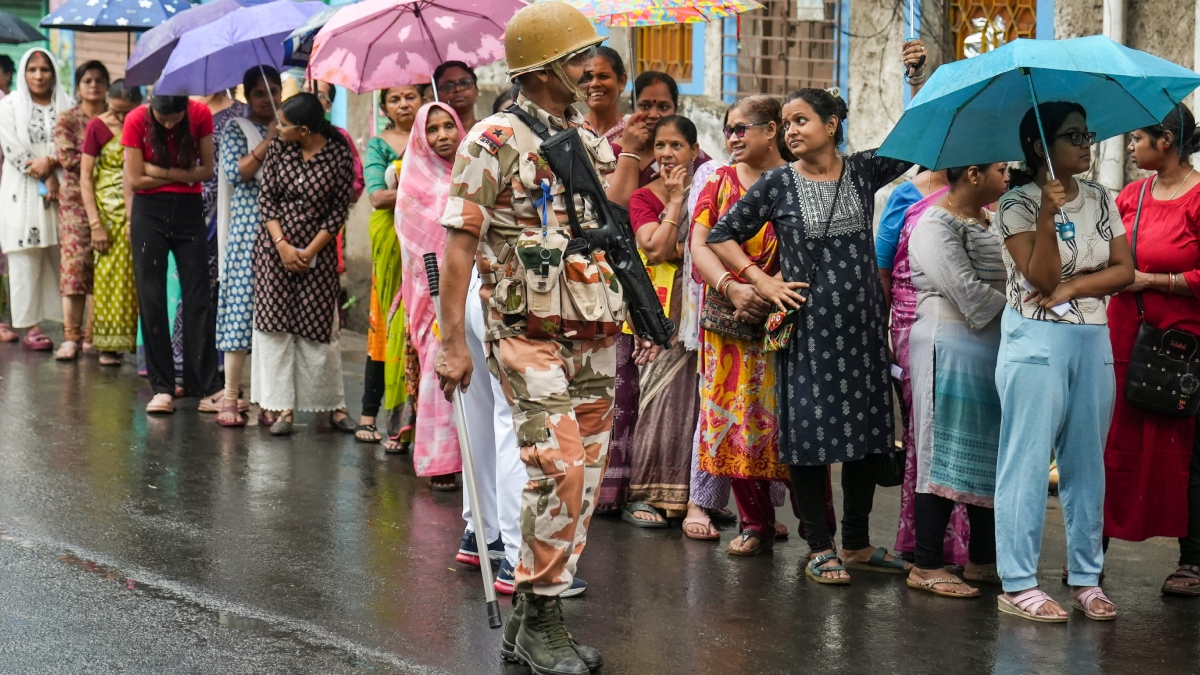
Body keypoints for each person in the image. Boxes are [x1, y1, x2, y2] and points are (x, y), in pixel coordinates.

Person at [435, 3, 656, 672]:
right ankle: (544, 618)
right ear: (547, 67)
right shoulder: (493, 138)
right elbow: (458, 244)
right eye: (577, 58)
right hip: (526, 332)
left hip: (591, 328)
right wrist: (451, 342)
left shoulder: (583, 138)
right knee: (556, 468)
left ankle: (532, 619)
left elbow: (605, 222)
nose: (589, 68)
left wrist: (634, 157)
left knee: (582, 476)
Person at [706, 45, 927, 586]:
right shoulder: (778, 184)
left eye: (800, 120)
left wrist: (916, 79)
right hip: (807, 331)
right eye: (784, 124)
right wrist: (760, 280)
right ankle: (819, 545)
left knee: (868, 436)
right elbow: (721, 234)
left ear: (832, 124)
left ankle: (855, 542)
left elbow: (916, 139)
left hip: (863, 328)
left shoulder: (863, 172)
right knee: (807, 438)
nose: (790, 132)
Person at [992, 101, 1132, 622]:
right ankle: (1019, 581)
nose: (1085, 144)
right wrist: (1049, 214)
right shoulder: (1016, 204)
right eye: (1073, 136)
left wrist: (1078, 285)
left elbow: (1124, 271)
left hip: (1093, 338)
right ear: (1039, 147)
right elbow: (1041, 279)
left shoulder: (1100, 198)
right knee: (1026, 461)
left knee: (1086, 463)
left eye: (1086, 134)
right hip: (1035, 340)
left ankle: (1085, 577)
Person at [690, 96, 810, 553]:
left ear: (773, 130)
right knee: (733, 415)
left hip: (786, 314)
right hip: (727, 319)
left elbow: (808, 248)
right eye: (729, 129)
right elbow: (700, 242)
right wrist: (731, 287)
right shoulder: (719, 182)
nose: (733, 137)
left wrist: (766, 291)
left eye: (743, 128)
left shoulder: (800, 182)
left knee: (789, 417)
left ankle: (818, 532)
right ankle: (754, 523)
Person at [1104, 103, 1200, 597]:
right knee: (1110, 440)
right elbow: (1106, 253)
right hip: (1123, 339)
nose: (1129, 145)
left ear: (1166, 141)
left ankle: (1192, 561)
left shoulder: (1199, 197)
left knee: (1184, 449)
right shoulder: (1132, 195)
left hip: (1181, 347)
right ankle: (1088, 556)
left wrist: (1158, 280)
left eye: (1137, 137)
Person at [905, 162, 1010, 598]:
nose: (1009, 175)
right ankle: (926, 563)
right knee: (942, 446)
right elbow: (966, 292)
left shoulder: (996, 220)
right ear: (972, 173)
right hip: (947, 345)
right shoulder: (934, 224)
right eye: (1002, 169)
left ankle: (983, 558)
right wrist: (1032, 311)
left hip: (992, 348)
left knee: (988, 450)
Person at [251, 93, 356, 436]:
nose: (277, 128)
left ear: (305, 129)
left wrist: (309, 251)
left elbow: (338, 210)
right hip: (273, 251)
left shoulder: (339, 154)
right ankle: (282, 408)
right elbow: (266, 199)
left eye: (283, 124)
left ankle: (332, 405)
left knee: (318, 329)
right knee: (276, 327)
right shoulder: (280, 148)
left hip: (318, 252)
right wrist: (282, 246)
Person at [887, 173, 970, 566]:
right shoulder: (907, 195)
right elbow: (884, 267)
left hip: (974, 329)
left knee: (967, 430)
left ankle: (974, 547)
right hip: (914, 320)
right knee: (925, 433)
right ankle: (926, 547)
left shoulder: (989, 194)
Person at [623, 115, 702, 528]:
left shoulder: (710, 189)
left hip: (701, 305)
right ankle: (648, 492)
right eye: (660, 146)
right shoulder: (643, 197)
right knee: (656, 398)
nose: (667, 154)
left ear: (693, 149)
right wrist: (674, 201)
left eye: (676, 146)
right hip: (659, 309)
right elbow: (655, 250)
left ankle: (694, 497)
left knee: (696, 400)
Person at [122, 94, 220, 414]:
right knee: (152, 296)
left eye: (175, 119)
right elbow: (135, 179)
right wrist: (181, 175)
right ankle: (162, 387)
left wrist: (159, 172)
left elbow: (205, 171)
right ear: (151, 105)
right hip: (148, 213)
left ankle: (205, 386)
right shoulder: (136, 119)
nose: (168, 124)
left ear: (184, 110)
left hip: (189, 212)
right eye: (162, 118)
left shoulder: (200, 113)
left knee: (198, 296)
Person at [396, 101, 464, 489]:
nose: (442, 136)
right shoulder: (414, 180)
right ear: (421, 136)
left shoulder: (475, 173)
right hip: (432, 291)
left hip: (473, 285)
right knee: (437, 365)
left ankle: (476, 458)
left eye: (448, 126)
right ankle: (441, 461)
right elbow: (413, 241)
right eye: (433, 129)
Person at [211, 67, 283, 427]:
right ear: (246, 96)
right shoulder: (236, 130)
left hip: (282, 234)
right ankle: (230, 396)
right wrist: (269, 139)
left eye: (274, 90)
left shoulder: (292, 131)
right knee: (240, 308)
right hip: (246, 230)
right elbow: (233, 173)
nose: (267, 98)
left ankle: (267, 398)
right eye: (259, 93)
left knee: (271, 316)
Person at [357, 85, 421, 449]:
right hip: (392, 239)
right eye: (394, 99)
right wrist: (424, 188)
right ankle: (383, 415)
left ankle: (422, 418)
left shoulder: (437, 134)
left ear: (423, 99)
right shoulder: (379, 145)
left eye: (410, 96)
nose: (403, 104)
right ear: (384, 107)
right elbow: (377, 196)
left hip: (428, 236)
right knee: (391, 320)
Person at [0, 48, 71, 353]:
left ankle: (66, 324)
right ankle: (31, 326)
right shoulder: (10, 105)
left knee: (59, 256)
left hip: (63, 188)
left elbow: (73, 142)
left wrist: (54, 161)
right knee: (25, 256)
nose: (39, 76)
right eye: (32, 70)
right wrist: (46, 175)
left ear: (53, 73)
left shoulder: (66, 103)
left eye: (45, 70)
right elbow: (13, 149)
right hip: (23, 190)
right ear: (23, 74)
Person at [80, 79, 141, 366]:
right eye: (114, 110)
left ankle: (140, 346)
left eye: (125, 112)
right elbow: (85, 177)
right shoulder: (97, 127)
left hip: (140, 208)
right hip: (107, 211)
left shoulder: (143, 125)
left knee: (138, 278)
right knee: (108, 277)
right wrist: (95, 224)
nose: (119, 118)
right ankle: (108, 345)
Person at [53, 60, 110, 360]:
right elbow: (67, 158)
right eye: (87, 80)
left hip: (111, 201)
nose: (94, 85)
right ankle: (70, 337)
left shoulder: (115, 119)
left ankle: (94, 335)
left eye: (100, 80)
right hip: (75, 201)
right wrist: (104, 160)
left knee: (104, 269)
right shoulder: (67, 119)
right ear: (78, 86)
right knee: (75, 269)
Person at [607, 71, 710, 206]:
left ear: (675, 110)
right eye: (645, 106)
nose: (654, 114)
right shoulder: (613, 152)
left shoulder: (692, 156)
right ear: (633, 109)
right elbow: (615, 207)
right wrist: (629, 151)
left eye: (663, 107)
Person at [583, 46, 628, 143]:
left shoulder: (634, 131)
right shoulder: (574, 130)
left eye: (603, 76)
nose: (594, 84)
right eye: (587, 77)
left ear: (621, 81)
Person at [433, 60, 478, 132]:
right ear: (436, 95)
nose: (458, 89)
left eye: (464, 83)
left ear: (476, 90)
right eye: (448, 87)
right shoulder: (437, 138)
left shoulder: (490, 131)